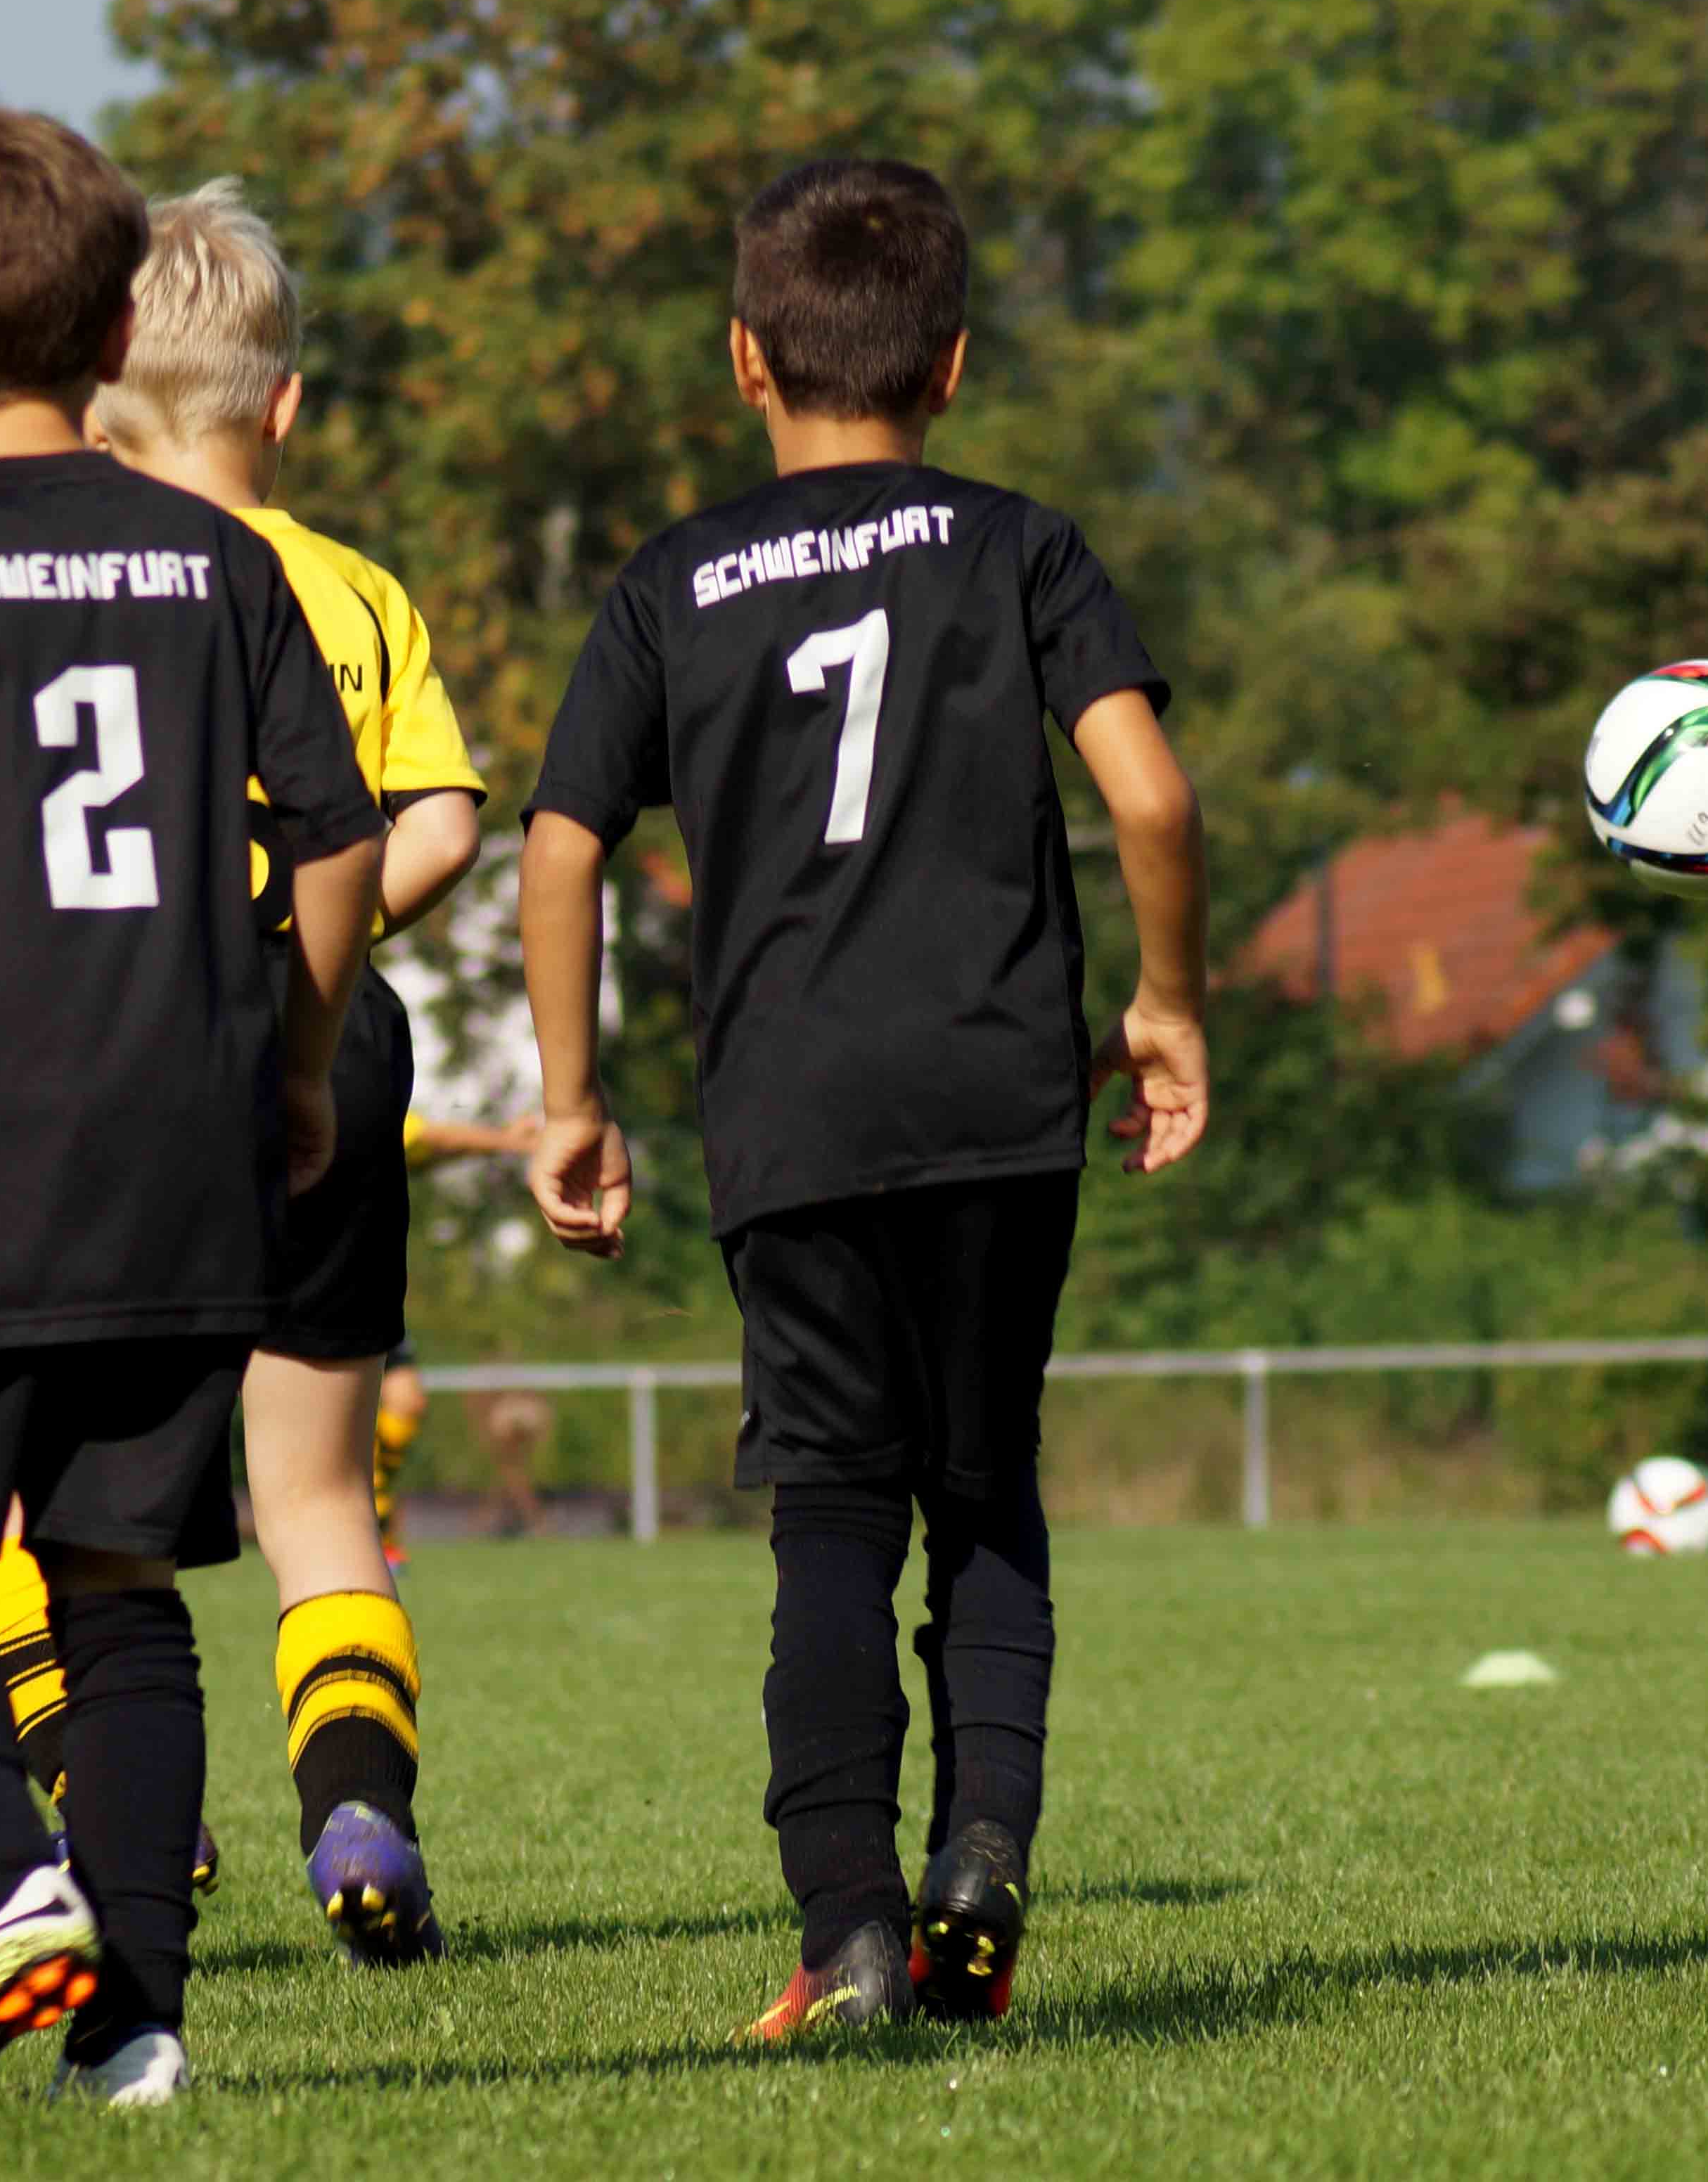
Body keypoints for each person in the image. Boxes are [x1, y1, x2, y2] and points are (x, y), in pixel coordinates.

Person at [518, 157, 1210, 2039]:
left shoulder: (672, 582)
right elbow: (1152, 795)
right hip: (1001, 1092)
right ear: (954, 363)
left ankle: (846, 1927)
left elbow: (564, 845)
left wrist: (572, 1095)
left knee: (831, 1507)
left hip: (792, 1111)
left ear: (746, 357)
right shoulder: (1021, 545)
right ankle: (979, 1857)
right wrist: (1166, 1001)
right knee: (982, 1488)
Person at [0, 111, 385, 2114]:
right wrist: (298, 1064)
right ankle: (134, 2029)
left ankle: (4, 1885)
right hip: (186, 1160)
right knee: (124, 1586)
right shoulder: (220, 563)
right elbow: (343, 839)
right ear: (119, 332)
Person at [0, 178, 484, 1968]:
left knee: (25, 1484)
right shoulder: (353, 589)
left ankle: (123, 1797)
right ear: (287, 403)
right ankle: (357, 1805)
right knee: (318, 1488)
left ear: (99, 396)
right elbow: (438, 822)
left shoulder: (64, 588)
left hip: (109, 1048)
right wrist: (320, 944)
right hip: (331, 1031)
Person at [371, 1110, 534, 1570]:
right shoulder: (312, 1095)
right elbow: (436, 1137)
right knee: (333, 1424)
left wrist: (503, 1142)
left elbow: (431, 1144)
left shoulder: (366, 1109)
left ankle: (373, 1507)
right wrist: (508, 1141)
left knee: (405, 1402)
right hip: (304, 1290)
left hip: (372, 1293)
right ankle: (367, 1523)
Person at [473, 1390, 558, 1539]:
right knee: (510, 1469)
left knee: (510, 1469)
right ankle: (490, 1516)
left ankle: (536, 1520)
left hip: (516, 1413)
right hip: (525, 1411)